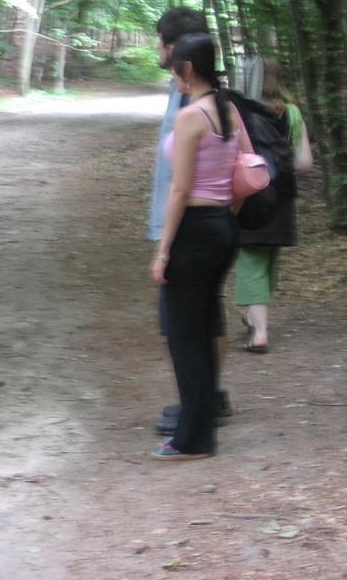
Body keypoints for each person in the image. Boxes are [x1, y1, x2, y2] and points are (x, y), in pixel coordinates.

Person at [150, 32, 252, 460]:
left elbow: (179, 190)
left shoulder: (192, 116)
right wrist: (227, 212)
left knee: (185, 337)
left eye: (174, 69)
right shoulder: (228, 109)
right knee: (204, 326)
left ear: (187, 70)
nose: (172, 78)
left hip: (193, 229)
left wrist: (163, 251)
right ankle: (203, 426)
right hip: (222, 228)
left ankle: (193, 438)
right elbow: (252, 166)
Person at [234, 58, 313, 353]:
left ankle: (260, 333)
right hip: (281, 195)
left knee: (251, 261)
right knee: (267, 259)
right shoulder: (291, 112)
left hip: (249, 193)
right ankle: (253, 315)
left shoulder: (240, 110)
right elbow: (305, 163)